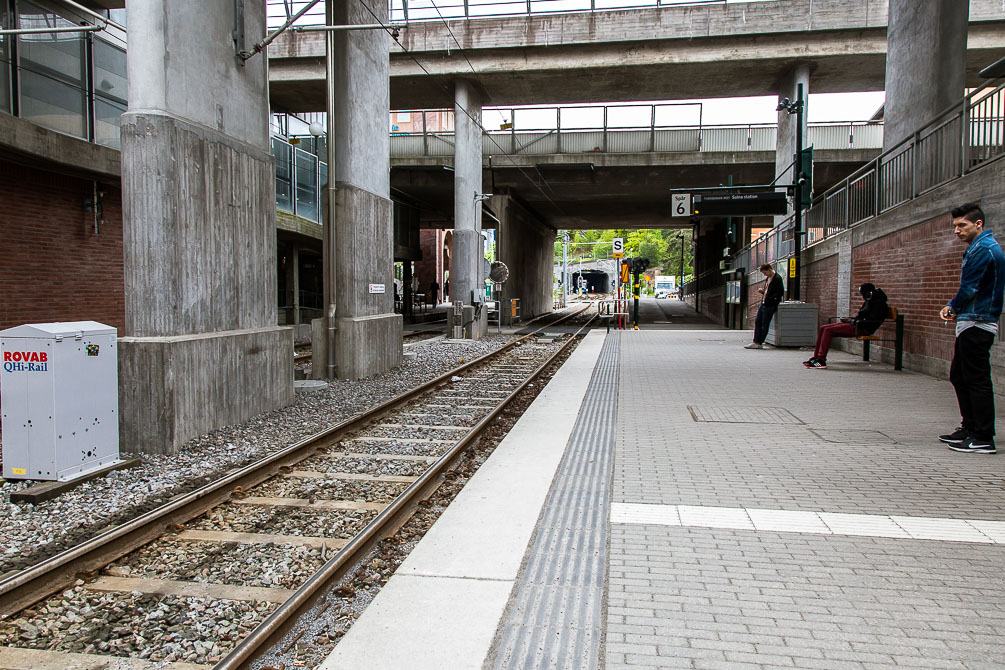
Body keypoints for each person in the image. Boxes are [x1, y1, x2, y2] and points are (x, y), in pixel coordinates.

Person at [938, 203, 1005, 454]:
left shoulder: (984, 250)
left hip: (978, 322)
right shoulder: (978, 248)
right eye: (955, 226)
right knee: (960, 375)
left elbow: (970, 288)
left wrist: (952, 307)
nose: (957, 231)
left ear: (978, 224)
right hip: (973, 320)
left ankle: (983, 436)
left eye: (962, 225)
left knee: (976, 378)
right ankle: (970, 427)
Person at [803, 283, 888, 369]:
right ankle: (816, 357)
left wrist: (851, 320)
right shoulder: (870, 301)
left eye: (863, 294)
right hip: (857, 324)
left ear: (870, 292)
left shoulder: (879, 304)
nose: (863, 297)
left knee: (828, 330)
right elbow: (861, 316)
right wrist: (850, 320)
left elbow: (870, 321)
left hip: (863, 328)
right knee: (823, 328)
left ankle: (821, 360)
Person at [745, 263, 784, 349]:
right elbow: (769, 291)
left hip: (770, 305)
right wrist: (763, 292)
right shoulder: (768, 278)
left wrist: (772, 299)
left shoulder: (777, 279)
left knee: (764, 323)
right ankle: (756, 341)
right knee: (758, 321)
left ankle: (759, 342)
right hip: (764, 303)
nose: (764, 274)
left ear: (769, 270)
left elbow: (780, 292)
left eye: (765, 273)